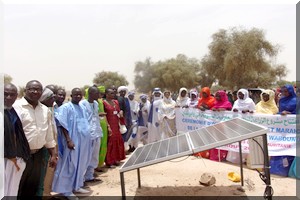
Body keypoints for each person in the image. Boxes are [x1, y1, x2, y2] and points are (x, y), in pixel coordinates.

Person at [13, 80, 57, 198]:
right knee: (18, 186)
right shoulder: (16, 107)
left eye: (38, 89)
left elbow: (48, 134)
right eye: (32, 89)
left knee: (33, 185)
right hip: (20, 155)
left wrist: (53, 154)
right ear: (25, 91)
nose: (35, 91)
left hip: (38, 154)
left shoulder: (44, 109)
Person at [52, 88, 91, 199]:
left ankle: (77, 186)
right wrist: (68, 140)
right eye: (76, 94)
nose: (78, 96)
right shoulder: (66, 108)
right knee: (70, 165)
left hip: (83, 142)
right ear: (72, 95)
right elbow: (62, 124)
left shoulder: (82, 107)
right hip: (72, 141)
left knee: (80, 164)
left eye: (80, 95)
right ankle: (66, 190)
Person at [4, 83, 30, 197]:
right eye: (5, 94)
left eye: (12, 95)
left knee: (12, 190)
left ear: (16, 96)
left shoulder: (14, 111)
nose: (8, 97)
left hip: (15, 158)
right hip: (3, 158)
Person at [80, 86, 103, 183]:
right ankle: (81, 179)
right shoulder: (82, 104)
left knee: (94, 156)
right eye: (97, 93)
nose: (99, 95)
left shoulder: (96, 103)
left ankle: (90, 176)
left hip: (97, 132)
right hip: (87, 134)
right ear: (90, 94)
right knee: (85, 157)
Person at [38, 88, 58, 197]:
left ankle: (47, 193)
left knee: (50, 171)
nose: (53, 100)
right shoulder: (42, 111)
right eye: (51, 97)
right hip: (45, 147)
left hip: (53, 144)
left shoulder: (49, 110)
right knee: (44, 173)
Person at [103, 88, 126, 167]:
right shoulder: (104, 103)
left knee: (117, 141)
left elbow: (118, 111)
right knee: (110, 143)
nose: (114, 95)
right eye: (111, 93)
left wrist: (121, 112)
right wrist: (108, 126)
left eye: (114, 93)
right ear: (107, 94)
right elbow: (104, 115)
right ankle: (109, 161)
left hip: (116, 125)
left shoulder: (115, 102)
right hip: (109, 125)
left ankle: (116, 159)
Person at [210, 90, 232, 161]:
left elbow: (230, 111)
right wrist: (213, 109)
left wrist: (223, 109)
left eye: (218, 96)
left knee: (223, 140)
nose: (217, 97)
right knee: (215, 140)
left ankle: (224, 156)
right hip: (216, 125)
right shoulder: (215, 102)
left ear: (222, 96)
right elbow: (212, 108)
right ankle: (215, 156)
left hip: (224, 126)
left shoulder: (227, 103)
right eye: (216, 96)